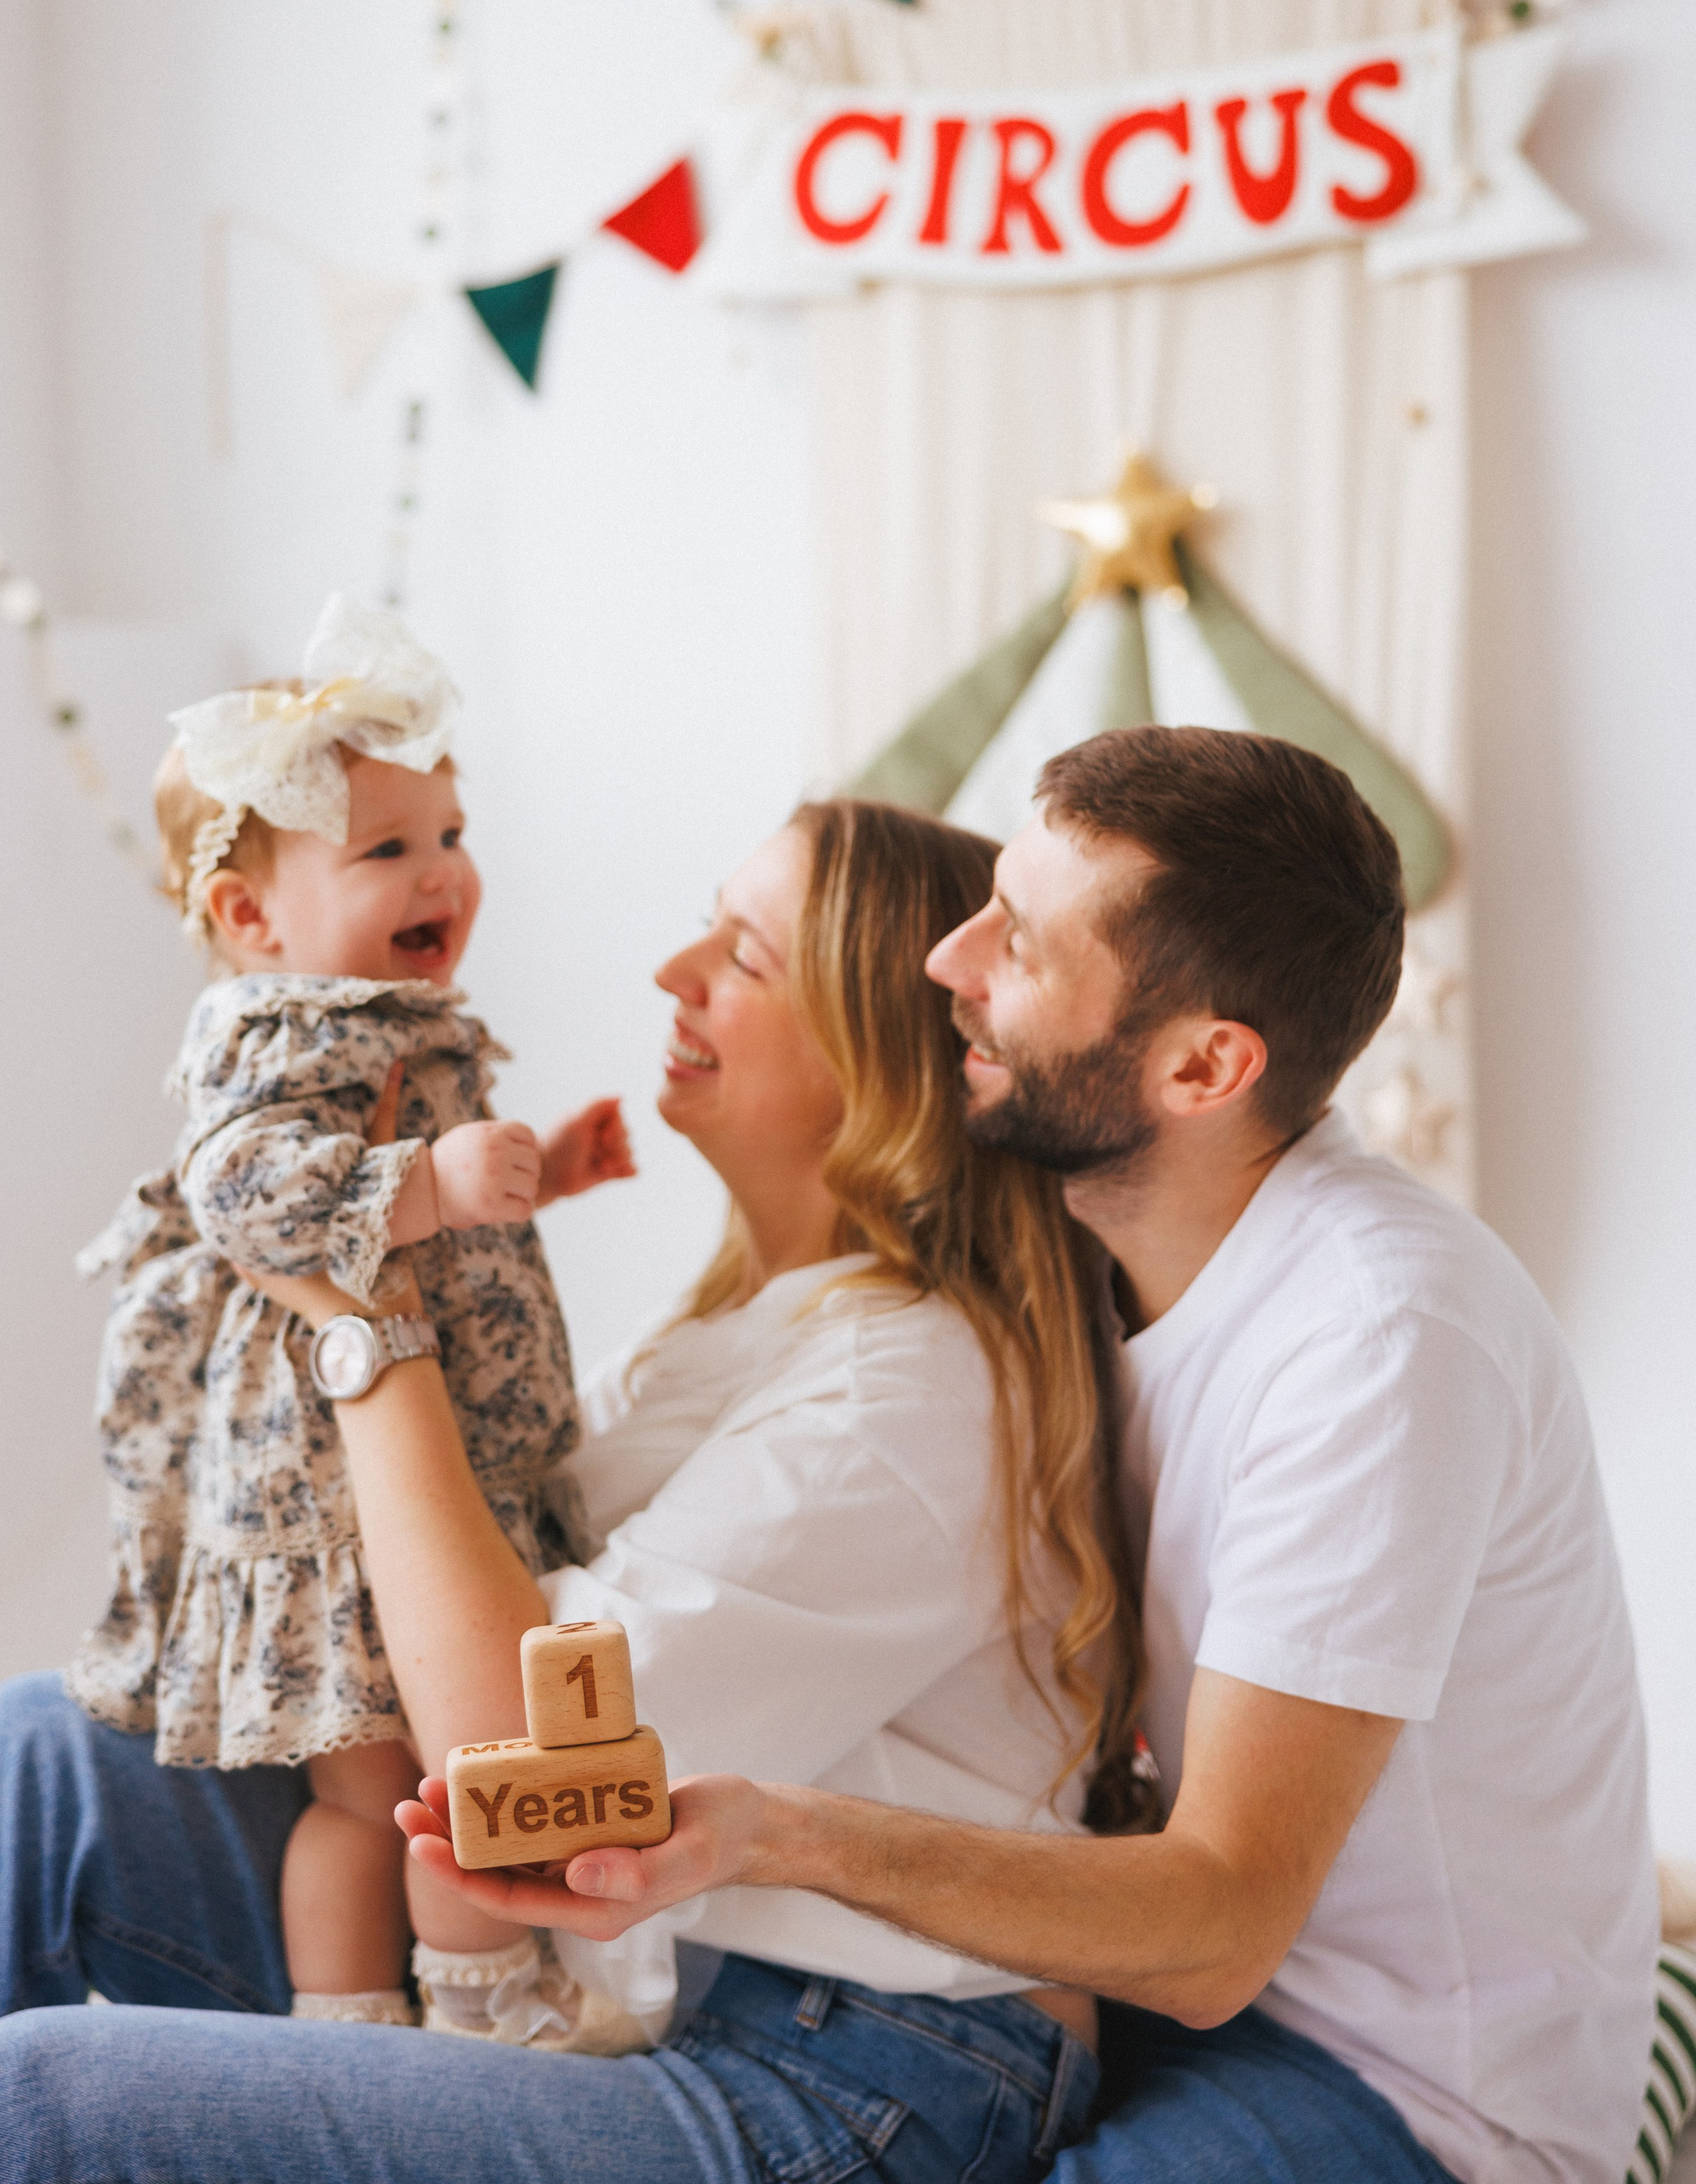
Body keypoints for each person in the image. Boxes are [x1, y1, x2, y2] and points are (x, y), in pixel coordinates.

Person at [398, 729, 1660, 2184]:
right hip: (1173, 1996)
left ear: (1201, 1063)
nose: (946, 960)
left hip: (1400, 2082)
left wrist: (777, 1831)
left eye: (1022, 942)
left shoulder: (1375, 1331)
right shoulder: (1083, 1268)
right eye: (987, 897)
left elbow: (1215, 1926)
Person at [0, 798, 1141, 2184]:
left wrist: (362, 1311)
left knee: (46, 2098)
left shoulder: (908, 1388)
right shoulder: (732, 1328)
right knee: (44, 1755)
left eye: (746, 954)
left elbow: (507, 1752)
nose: (677, 970)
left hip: (852, 2061)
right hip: (602, 1956)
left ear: (880, 1063)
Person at [64, 592, 633, 2042]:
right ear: (250, 917)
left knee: (423, 1769)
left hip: (431, 1453)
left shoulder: (391, 1019)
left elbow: (426, 1224)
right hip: (333, 1485)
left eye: (450, 833)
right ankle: (386, 2015)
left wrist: (536, 1172)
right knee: (378, 1789)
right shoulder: (270, 1032)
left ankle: (457, 1998)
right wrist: (428, 1177)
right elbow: (247, 1190)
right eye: (388, 849)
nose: (442, 871)